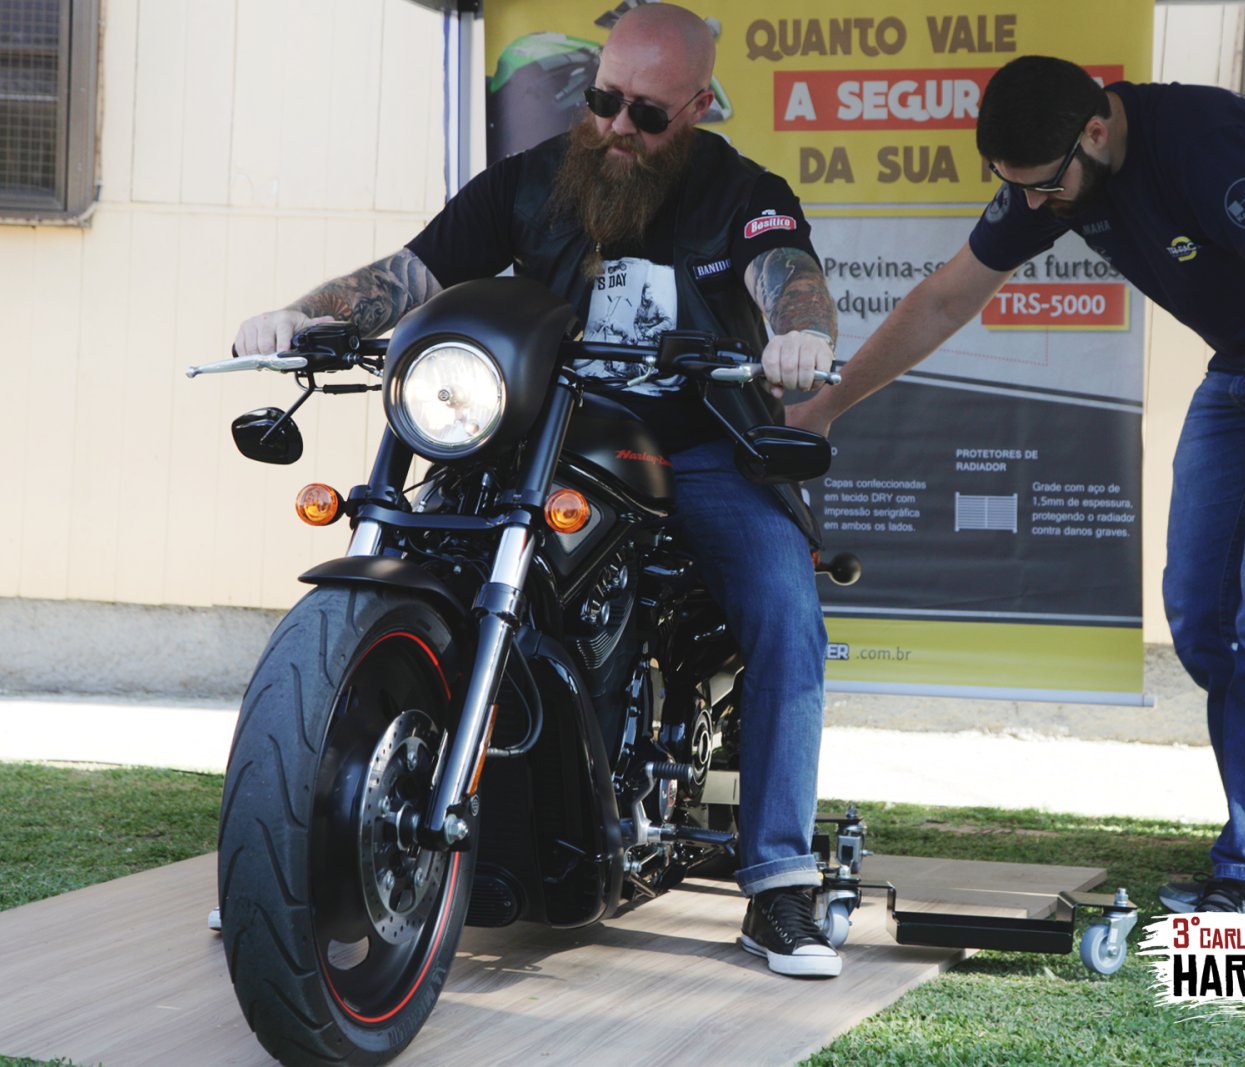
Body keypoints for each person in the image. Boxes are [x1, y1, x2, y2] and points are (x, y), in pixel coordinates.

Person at [233, 4, 843, 975]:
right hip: (537, 439)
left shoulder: (741, 192)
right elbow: (412, 272)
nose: (617, 126)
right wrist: (302, 315)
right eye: (604, 100)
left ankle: (778, 882)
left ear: (698, 107)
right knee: (420, 536)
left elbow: (788, 274)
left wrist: (800, 333)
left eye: (647, 114)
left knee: (785, 608)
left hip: (693, 447)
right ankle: (292, 857)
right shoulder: (533, 178)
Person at [787, 56, 1245, 914]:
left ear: (1096, 130)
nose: (1034, 205)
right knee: (1203, 618)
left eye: (1045, 187)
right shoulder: (1053, 175)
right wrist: (823, 409)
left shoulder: (1204, 150)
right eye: (1016, 187)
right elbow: (945, 300)